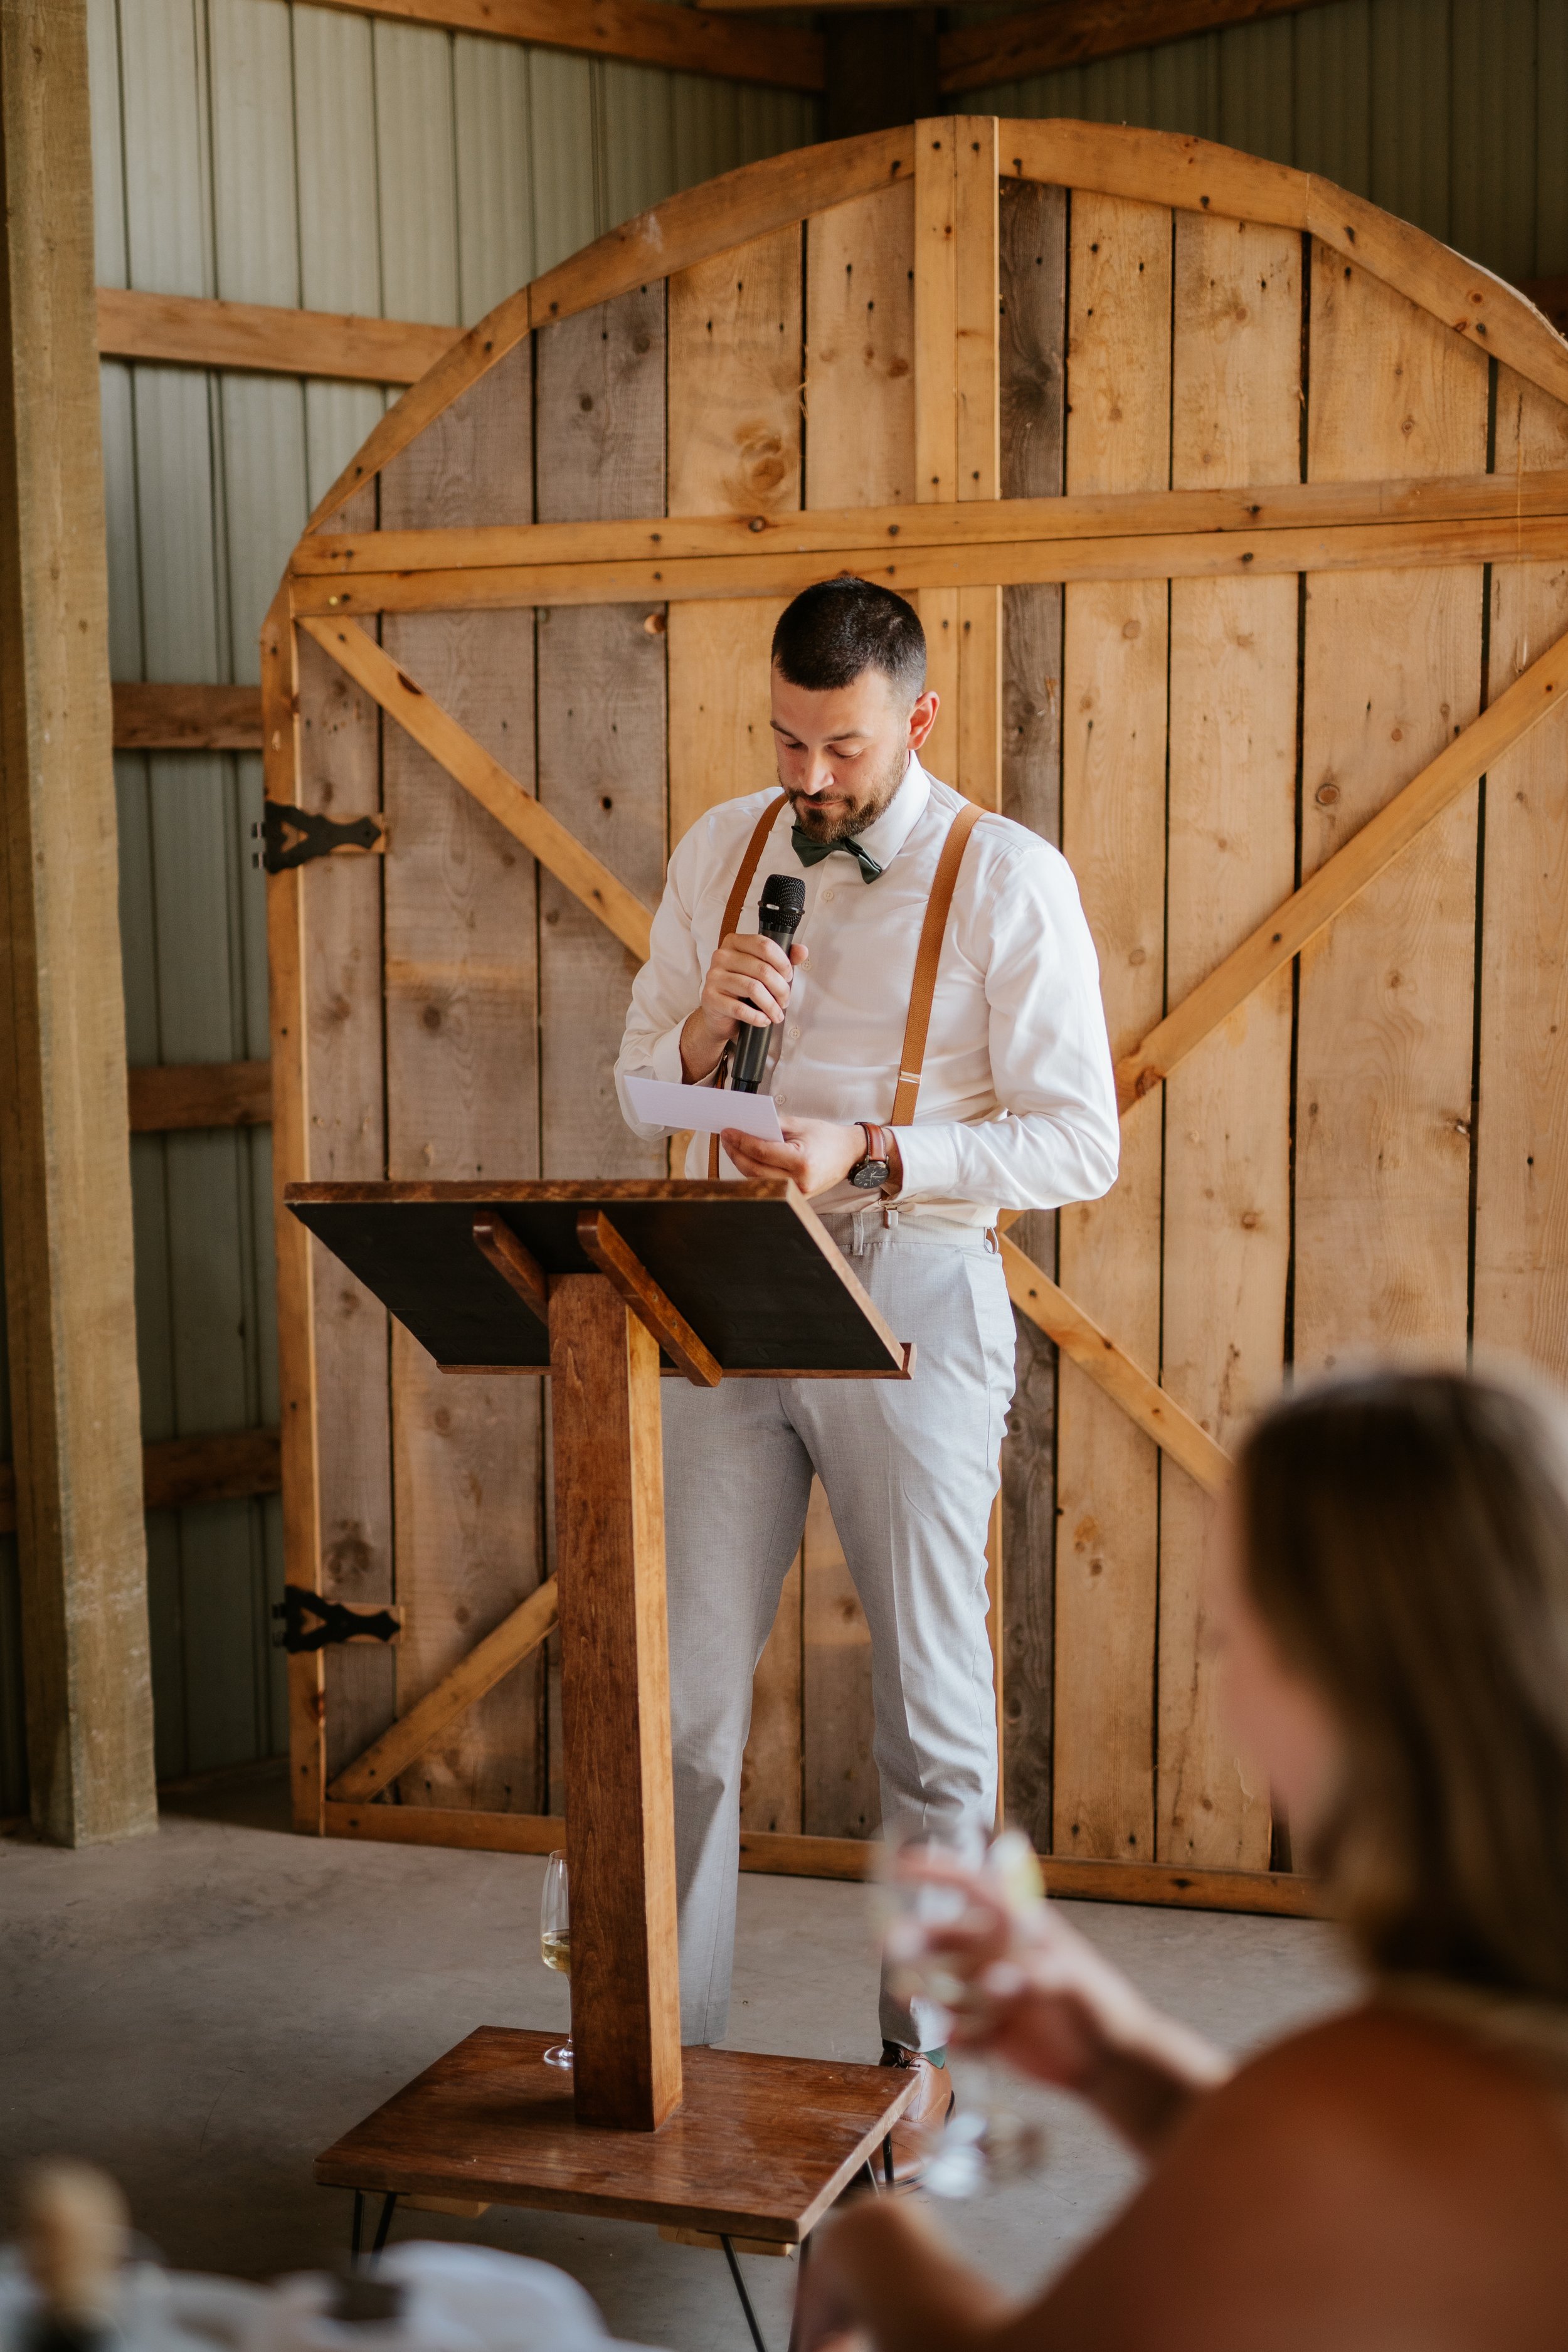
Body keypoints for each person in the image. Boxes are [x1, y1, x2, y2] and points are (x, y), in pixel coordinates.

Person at [615, 575, 1118, 2159]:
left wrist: (875, 1148)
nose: (806, 779)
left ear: (917, 716)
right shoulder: (722, 849)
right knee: (679, 1700)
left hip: (913, 1291)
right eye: (784, 739)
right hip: (724, 1293)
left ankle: (930, 2068)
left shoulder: (1007, 879)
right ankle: (652, 2042)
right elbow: (638, 1096)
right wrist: (698, 1036)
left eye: (837, 746)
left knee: (930, 1708)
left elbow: (1077, 1140)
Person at [793, 1366, 1568, 2351]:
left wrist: (876, 2251)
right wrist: (1123, 2061)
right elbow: (1367, 2196)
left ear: (1332, 1676)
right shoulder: (1434, 2089)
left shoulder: (1368, 2090)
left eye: (1225, 1637)